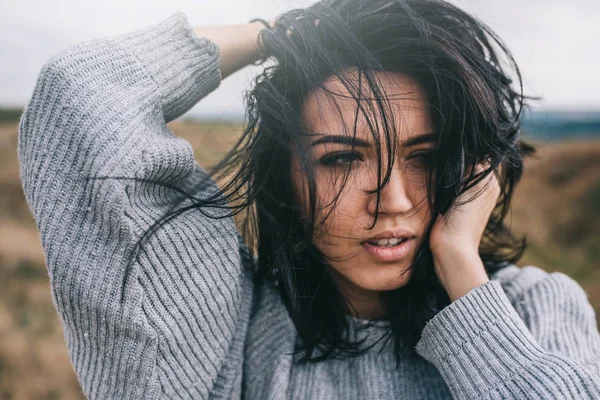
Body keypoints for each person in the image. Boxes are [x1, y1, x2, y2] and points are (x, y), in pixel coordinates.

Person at [17, 0, 600, 398]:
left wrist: (461, 271)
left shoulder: (537, 313)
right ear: (288, 174)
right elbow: (81, 96)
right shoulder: (232, 331)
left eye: (424, 157)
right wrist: (279, 37)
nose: (392, 201)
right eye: (342, 158)